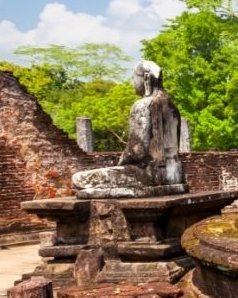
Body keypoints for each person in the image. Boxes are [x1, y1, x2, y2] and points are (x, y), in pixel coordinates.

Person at [72, 60, 186, 199]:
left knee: (80, 179)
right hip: (176, 174)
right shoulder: (172, 107)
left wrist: (122, 161)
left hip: (150, 174)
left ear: (145, 78)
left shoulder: (142, 105)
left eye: (134, 78)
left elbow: (137, 151)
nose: (133, 82)